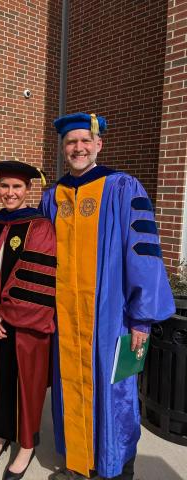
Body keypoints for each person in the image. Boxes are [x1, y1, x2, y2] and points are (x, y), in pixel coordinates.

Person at [39, 113, 175, 480]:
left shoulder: (122, 188)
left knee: (115, 392)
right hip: (66, 320)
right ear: (63, 148)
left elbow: (143, 255)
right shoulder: (53, 196)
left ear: (99, 144)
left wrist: (142, 317)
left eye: (85, 141)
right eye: (71, 142)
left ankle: (114, 467)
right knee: (71, 388)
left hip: (113, 316)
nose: (78, 148)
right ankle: (79, 463)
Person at [0, 160, 56, 480]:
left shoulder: (40, 226)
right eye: (4, 186)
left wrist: (1, 313)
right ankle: (0, 436)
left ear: (28, 190)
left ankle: (27, 445)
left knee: (26, 387)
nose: (10, 193)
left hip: (26, 327)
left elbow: (35, 280)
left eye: (17, 187)